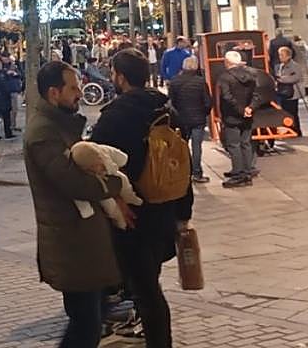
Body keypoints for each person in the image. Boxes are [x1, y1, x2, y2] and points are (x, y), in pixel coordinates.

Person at [91, 48, 194, 348]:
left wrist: (114, 201)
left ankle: (158, 341)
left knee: (145, 289)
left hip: (133, 211)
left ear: (120, 77)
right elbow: (181, 161)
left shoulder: (116, 115)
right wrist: (183, 211)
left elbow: (98, 164)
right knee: (149, 281)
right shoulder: (166, 110)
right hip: (165, 206)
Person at [25, 61, 127, 348]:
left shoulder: (59, 125)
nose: (79, 93)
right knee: (86, 324)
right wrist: (115, 184)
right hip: (72, 241)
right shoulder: (44, 133)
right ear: (53, 93)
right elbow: (73, 182)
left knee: (89, 320)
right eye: (73, 88)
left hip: (82, 240)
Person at [217, 51, 260, 188]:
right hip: (247, 115)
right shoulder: (251, 75)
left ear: (226, 62)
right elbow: (257, 95)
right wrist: (250, 108)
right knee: (246, 143)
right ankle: (247, 171)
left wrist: (241, 110)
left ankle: (239, 175)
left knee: (233, 145)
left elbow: (227, 97)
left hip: (232, 116)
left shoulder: (225, 77)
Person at [168, 55, 212, 183]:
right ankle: (197, 173)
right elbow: (208, 102)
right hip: (198, 119)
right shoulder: (201, 82)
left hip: (181, 119)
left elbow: (171, 102)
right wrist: (205, 113)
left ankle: (182, 172)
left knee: (182, 146)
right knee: (197, 147)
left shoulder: (175, 81)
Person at [274, 46, 304, 138]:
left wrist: (280, 79)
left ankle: (296, 130)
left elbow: (295, 78)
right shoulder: (279, 66)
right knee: (284, 112)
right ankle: (287, 130)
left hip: (292, 93)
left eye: (282, 55)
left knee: (292, 112)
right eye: (279, 55)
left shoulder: (295, 66)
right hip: (282, 92)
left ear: (288, 56)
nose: (280, 57)